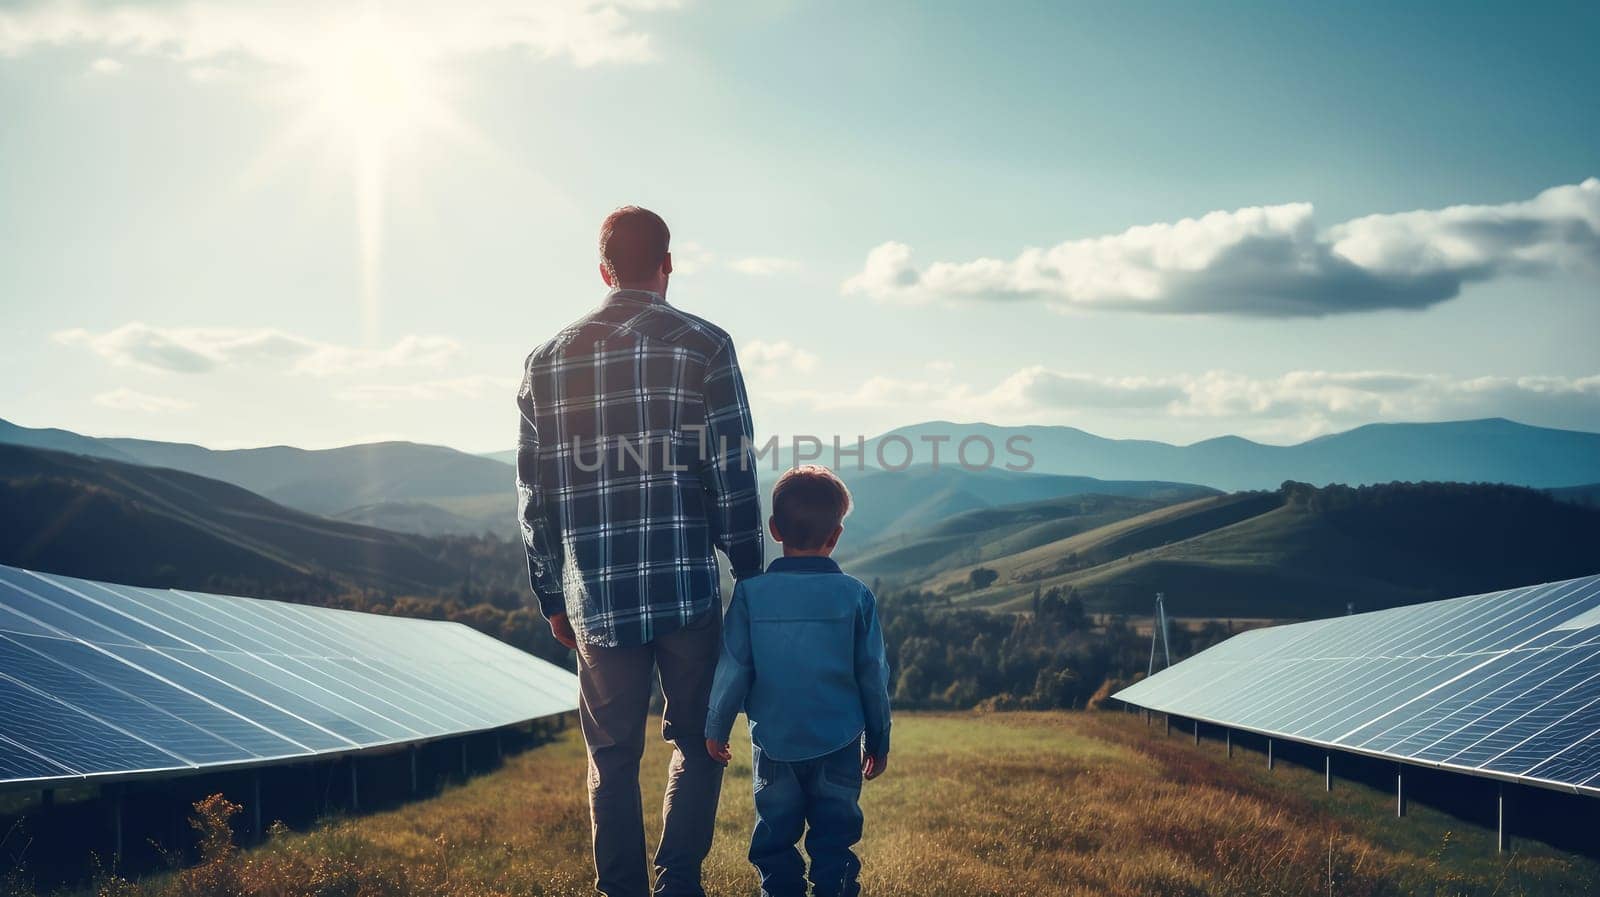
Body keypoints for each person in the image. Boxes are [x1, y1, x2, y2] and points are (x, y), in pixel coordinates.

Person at [516, 206, 765, 897]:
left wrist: (550, 595)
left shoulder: (546, 361)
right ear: (668, 264)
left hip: (596, 598)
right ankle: (677, 881)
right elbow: (733, 471)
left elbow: (536, 497)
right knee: (699, 739)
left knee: (612, 755)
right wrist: (752, 576)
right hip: (686, 588)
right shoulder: (706, 345)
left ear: (603, 270)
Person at [704, 465, 893, 897]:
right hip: (840, 743)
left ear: (774, 529)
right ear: (837, 535)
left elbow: (734, 666)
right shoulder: (856, 595)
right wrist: (879, 740)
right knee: (834, 845)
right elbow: (873, 676)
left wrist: (716, 726)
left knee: (774, 845)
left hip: (774, 745)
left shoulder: (751, 594)